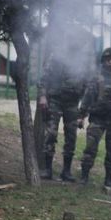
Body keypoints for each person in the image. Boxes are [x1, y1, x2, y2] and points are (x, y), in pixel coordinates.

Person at [78, 47, 111, 188]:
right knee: (90, 148)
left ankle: (108, 179)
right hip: (98, 118)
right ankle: (84, 176)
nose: (110, 62)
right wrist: (81, 115)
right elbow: (88, 96)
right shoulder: (96, 76)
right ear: (103, 60)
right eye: (107, 59)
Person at [37, 51, 86, 182]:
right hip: (55, 100)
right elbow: (45, 78)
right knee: (51, 134)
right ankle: (47, 169)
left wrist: (83, 112)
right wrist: (42, 96)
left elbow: (87, 84)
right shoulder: (56, 56)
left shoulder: (81, 59)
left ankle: (66, 171)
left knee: (71, 136)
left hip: (72, 102)